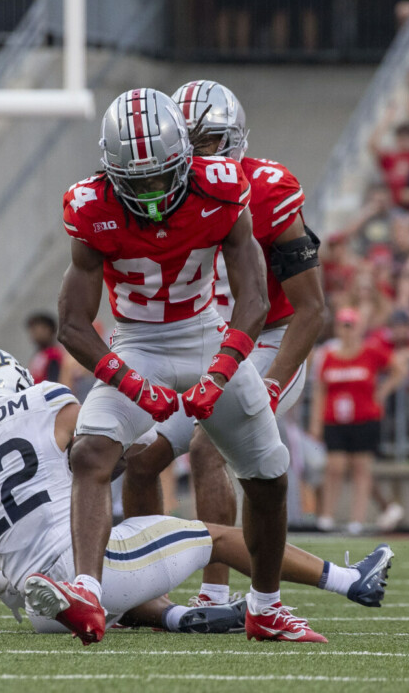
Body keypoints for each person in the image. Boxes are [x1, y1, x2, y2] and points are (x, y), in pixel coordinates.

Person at [47, 89, 313, 645]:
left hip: (204, 337)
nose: (146, 191)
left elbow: (255, 300)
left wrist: (220, 372)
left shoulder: (220, 186)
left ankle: (265, 607)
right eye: (133, 179)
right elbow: (72, 323)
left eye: (158, 175)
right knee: (92, 451)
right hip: (137, 341)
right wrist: (132, 385)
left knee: (269, 473)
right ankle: (88, 595)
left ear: (184, 161)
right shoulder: (91, 206)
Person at [0, 347, 394, 633]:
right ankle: (349, 581)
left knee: (130, 550)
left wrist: (4, 584)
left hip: (43, 605)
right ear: (7, 377)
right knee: (217, 537)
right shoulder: (43, 398)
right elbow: (118, 448)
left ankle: (174, 618)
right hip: (92, 574)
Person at [121, 80, 326, 610]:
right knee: (142, 461)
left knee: (211, 444)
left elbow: (312, 308)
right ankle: (147, 593)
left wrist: (274, 380)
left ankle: (217, 593)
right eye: (184, 142)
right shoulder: (160, 193)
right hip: (205, 338)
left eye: (205, 141)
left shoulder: (269, 189)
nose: (193, 155)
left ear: (233, 140)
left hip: (269, 336)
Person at [309, 307, 407, 534]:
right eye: (343, 326)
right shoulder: (328, 357)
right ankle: (327, 516)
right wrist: (316, 422)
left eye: (350, 326)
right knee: (335, 467)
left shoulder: (370, 352)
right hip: (335, 419)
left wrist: (383, 391)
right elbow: (320, 390)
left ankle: (357, 519)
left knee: (361, 468)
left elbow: (399, 369)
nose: (347, 331)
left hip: (365, 418)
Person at [25, 311, 65, 384]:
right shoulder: (38, 355)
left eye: (37, 329)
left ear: (50, 330)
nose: (34, 334)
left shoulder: (54, 355)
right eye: (32, 330)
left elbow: (54, 382)